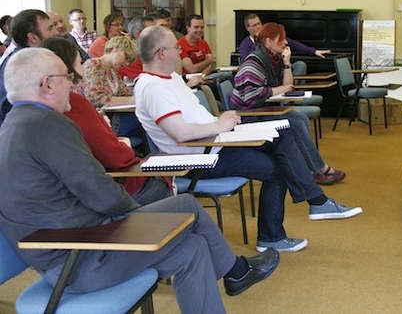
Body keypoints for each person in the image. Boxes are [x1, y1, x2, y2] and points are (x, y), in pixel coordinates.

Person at [0, 47, 279, 313]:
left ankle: (236, 274)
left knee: (192, 249)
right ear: (47, 84)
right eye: (67, 77)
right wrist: (142, 216)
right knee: (186, 206)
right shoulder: (48, 125)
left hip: (71, 252)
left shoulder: (15, 124)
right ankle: (237, 272)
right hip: (80, 258)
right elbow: (100, 192)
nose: (73, 85)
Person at [135, 25, 362, 252]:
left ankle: (315, 204)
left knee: (284, 131)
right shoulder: (151, 87)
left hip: (216, 142)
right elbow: (180, 133)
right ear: (162, 53)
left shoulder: (170, 78)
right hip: (198, 158)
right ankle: (280, 230)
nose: (180, 52)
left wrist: (220, 122)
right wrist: (219, 124)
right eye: (176, 48)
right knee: (278, 167)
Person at [40, 36, 172, 205]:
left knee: (146, 120)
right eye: (79, 63)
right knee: (149, 124)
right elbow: (101, 100)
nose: (82, 68)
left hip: (76, 194)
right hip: (100, 190)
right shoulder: (77, 97)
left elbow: (124, 94)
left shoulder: (31, 113)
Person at [231, 22, 345, 185]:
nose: (286, 43)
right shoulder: (254, 62)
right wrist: (278, 89)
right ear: (269, 42)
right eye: (282, 39)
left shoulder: (272, 59)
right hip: (247, 116)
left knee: (301, 119)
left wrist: (287, 63)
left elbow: (288, 87)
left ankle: (312, 168)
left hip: (262, 109)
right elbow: (251, 97)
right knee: (295, 124)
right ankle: (319, 170)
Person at [0, 9, 58, 127]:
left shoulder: (24, 58)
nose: (56, 33)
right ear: (33, 38)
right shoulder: (25, 65)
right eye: (50, 28)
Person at [81, 36, 140, 139]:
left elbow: (126, 93)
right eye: (126, 57)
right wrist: (134, 100)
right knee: (145, 119)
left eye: (129, 62)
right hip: (97, 121)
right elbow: (98, 99)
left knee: (145, 118)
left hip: (110, 117)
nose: (126, 64)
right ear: (115, 48)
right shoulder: (93, 66)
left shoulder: (113, 73)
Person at [239, 13, 331, 76]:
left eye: (259, 23)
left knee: (300, 64)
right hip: (265, 73)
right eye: (254, 25)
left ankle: (296, 92)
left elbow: (295, 44)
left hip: (280, 68)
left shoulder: (273, 36)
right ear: (247, 28)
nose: (258, 27)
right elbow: (248, 62)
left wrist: (314, 51)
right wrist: (258, 40)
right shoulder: (245, 44)